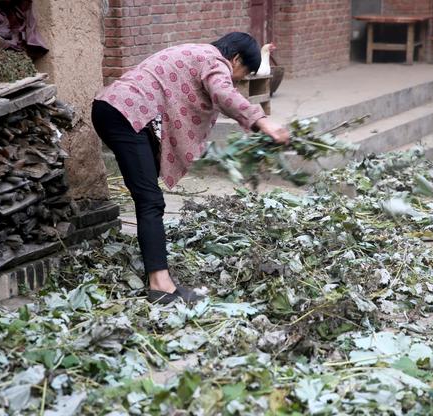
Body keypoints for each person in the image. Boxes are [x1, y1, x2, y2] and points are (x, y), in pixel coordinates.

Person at [92, 32, 289, 304]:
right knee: (150, 201)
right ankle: (160, 286)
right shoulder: (216, 61)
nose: (239, 81)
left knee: (148, 190)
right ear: (235, 59)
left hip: (113, 108)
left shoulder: (197, 52)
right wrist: (262, 122)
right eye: (243, 73)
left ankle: (157, 273)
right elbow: (222, 92)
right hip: (125, 113)